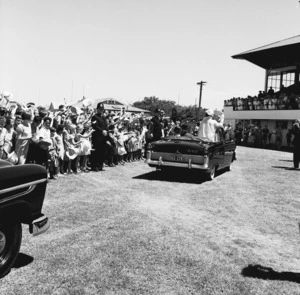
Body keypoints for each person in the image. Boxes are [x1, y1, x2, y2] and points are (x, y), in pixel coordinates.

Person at [90, 103, 107, 171]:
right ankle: (95, 166)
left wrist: (106, 131)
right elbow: (95, 126)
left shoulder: (103, 117)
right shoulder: (94, 117)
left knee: (102, 152)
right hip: (97, 137)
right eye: (100, 109)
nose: (101, 110)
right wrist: (102, 131)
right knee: (96, 152)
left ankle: (100, 165)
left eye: (102, 109)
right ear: (97, 109)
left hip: (103, 137)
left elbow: (106, 125)